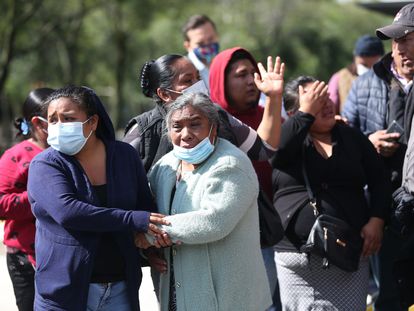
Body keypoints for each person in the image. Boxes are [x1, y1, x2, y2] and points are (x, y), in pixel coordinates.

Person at [27, 86, 169, 311]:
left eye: (68, 118)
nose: (58, 126)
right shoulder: (45, 164)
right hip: (64, 292)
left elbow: (144, 204)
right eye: (52, 120)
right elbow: (69, 212)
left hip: (121, 288)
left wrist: (150, 248)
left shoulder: (124, 156)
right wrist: (133, 219)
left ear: (92, 123)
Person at [142, 92, 272, 310]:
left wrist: (150, 233)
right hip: (179, 294)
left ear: (213, 127)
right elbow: (149, 208)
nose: (186, 134)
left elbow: (213, 222)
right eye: (177, 126)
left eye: (195, 124)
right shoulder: (165, 166)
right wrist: (149, 250)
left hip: (227, 300)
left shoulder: (231, 164)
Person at [271, 76, 389, 310]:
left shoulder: (351, 136)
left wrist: (377, 220)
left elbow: (380, 180)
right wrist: (306, 115)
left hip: (348, 253)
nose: (324, 104)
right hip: (297, 258)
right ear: (296, 112)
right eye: (315, 100)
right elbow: (276, 151)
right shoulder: (289, 139)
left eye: (326, 97)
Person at [342, 3, 414, 310]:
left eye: (409, 38)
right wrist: (368, 143)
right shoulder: (366, 83)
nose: (400, 47)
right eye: (397, 40)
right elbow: (342, 139)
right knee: (390, 296)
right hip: (384, 206)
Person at [209, 46, 282, 310]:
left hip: (268, 235)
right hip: (226, 241)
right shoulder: (207, 124)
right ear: (221, 81)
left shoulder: (270, 117)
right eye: (241, 75)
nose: (252, 81)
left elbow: (267, 148)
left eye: (253, 73)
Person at [0, 88, 53, 311]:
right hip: (24, 258)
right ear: (39, 123)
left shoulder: (71, 153)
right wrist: (39, 198)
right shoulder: (16, 156)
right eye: (55, 119)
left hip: (58, 253)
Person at [328, 35, 384, 113]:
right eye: (364, 65)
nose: (369, 70)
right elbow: (331, 108)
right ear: (355, 57)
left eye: (373, 66)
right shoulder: (339, 78)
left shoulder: (387, 79)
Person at [182, 14, 219, 88]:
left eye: (210, 39)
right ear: (188, 46)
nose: (207, 45)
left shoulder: (225, 64)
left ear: (217, 36)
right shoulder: (184, 74)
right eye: (200, 43)